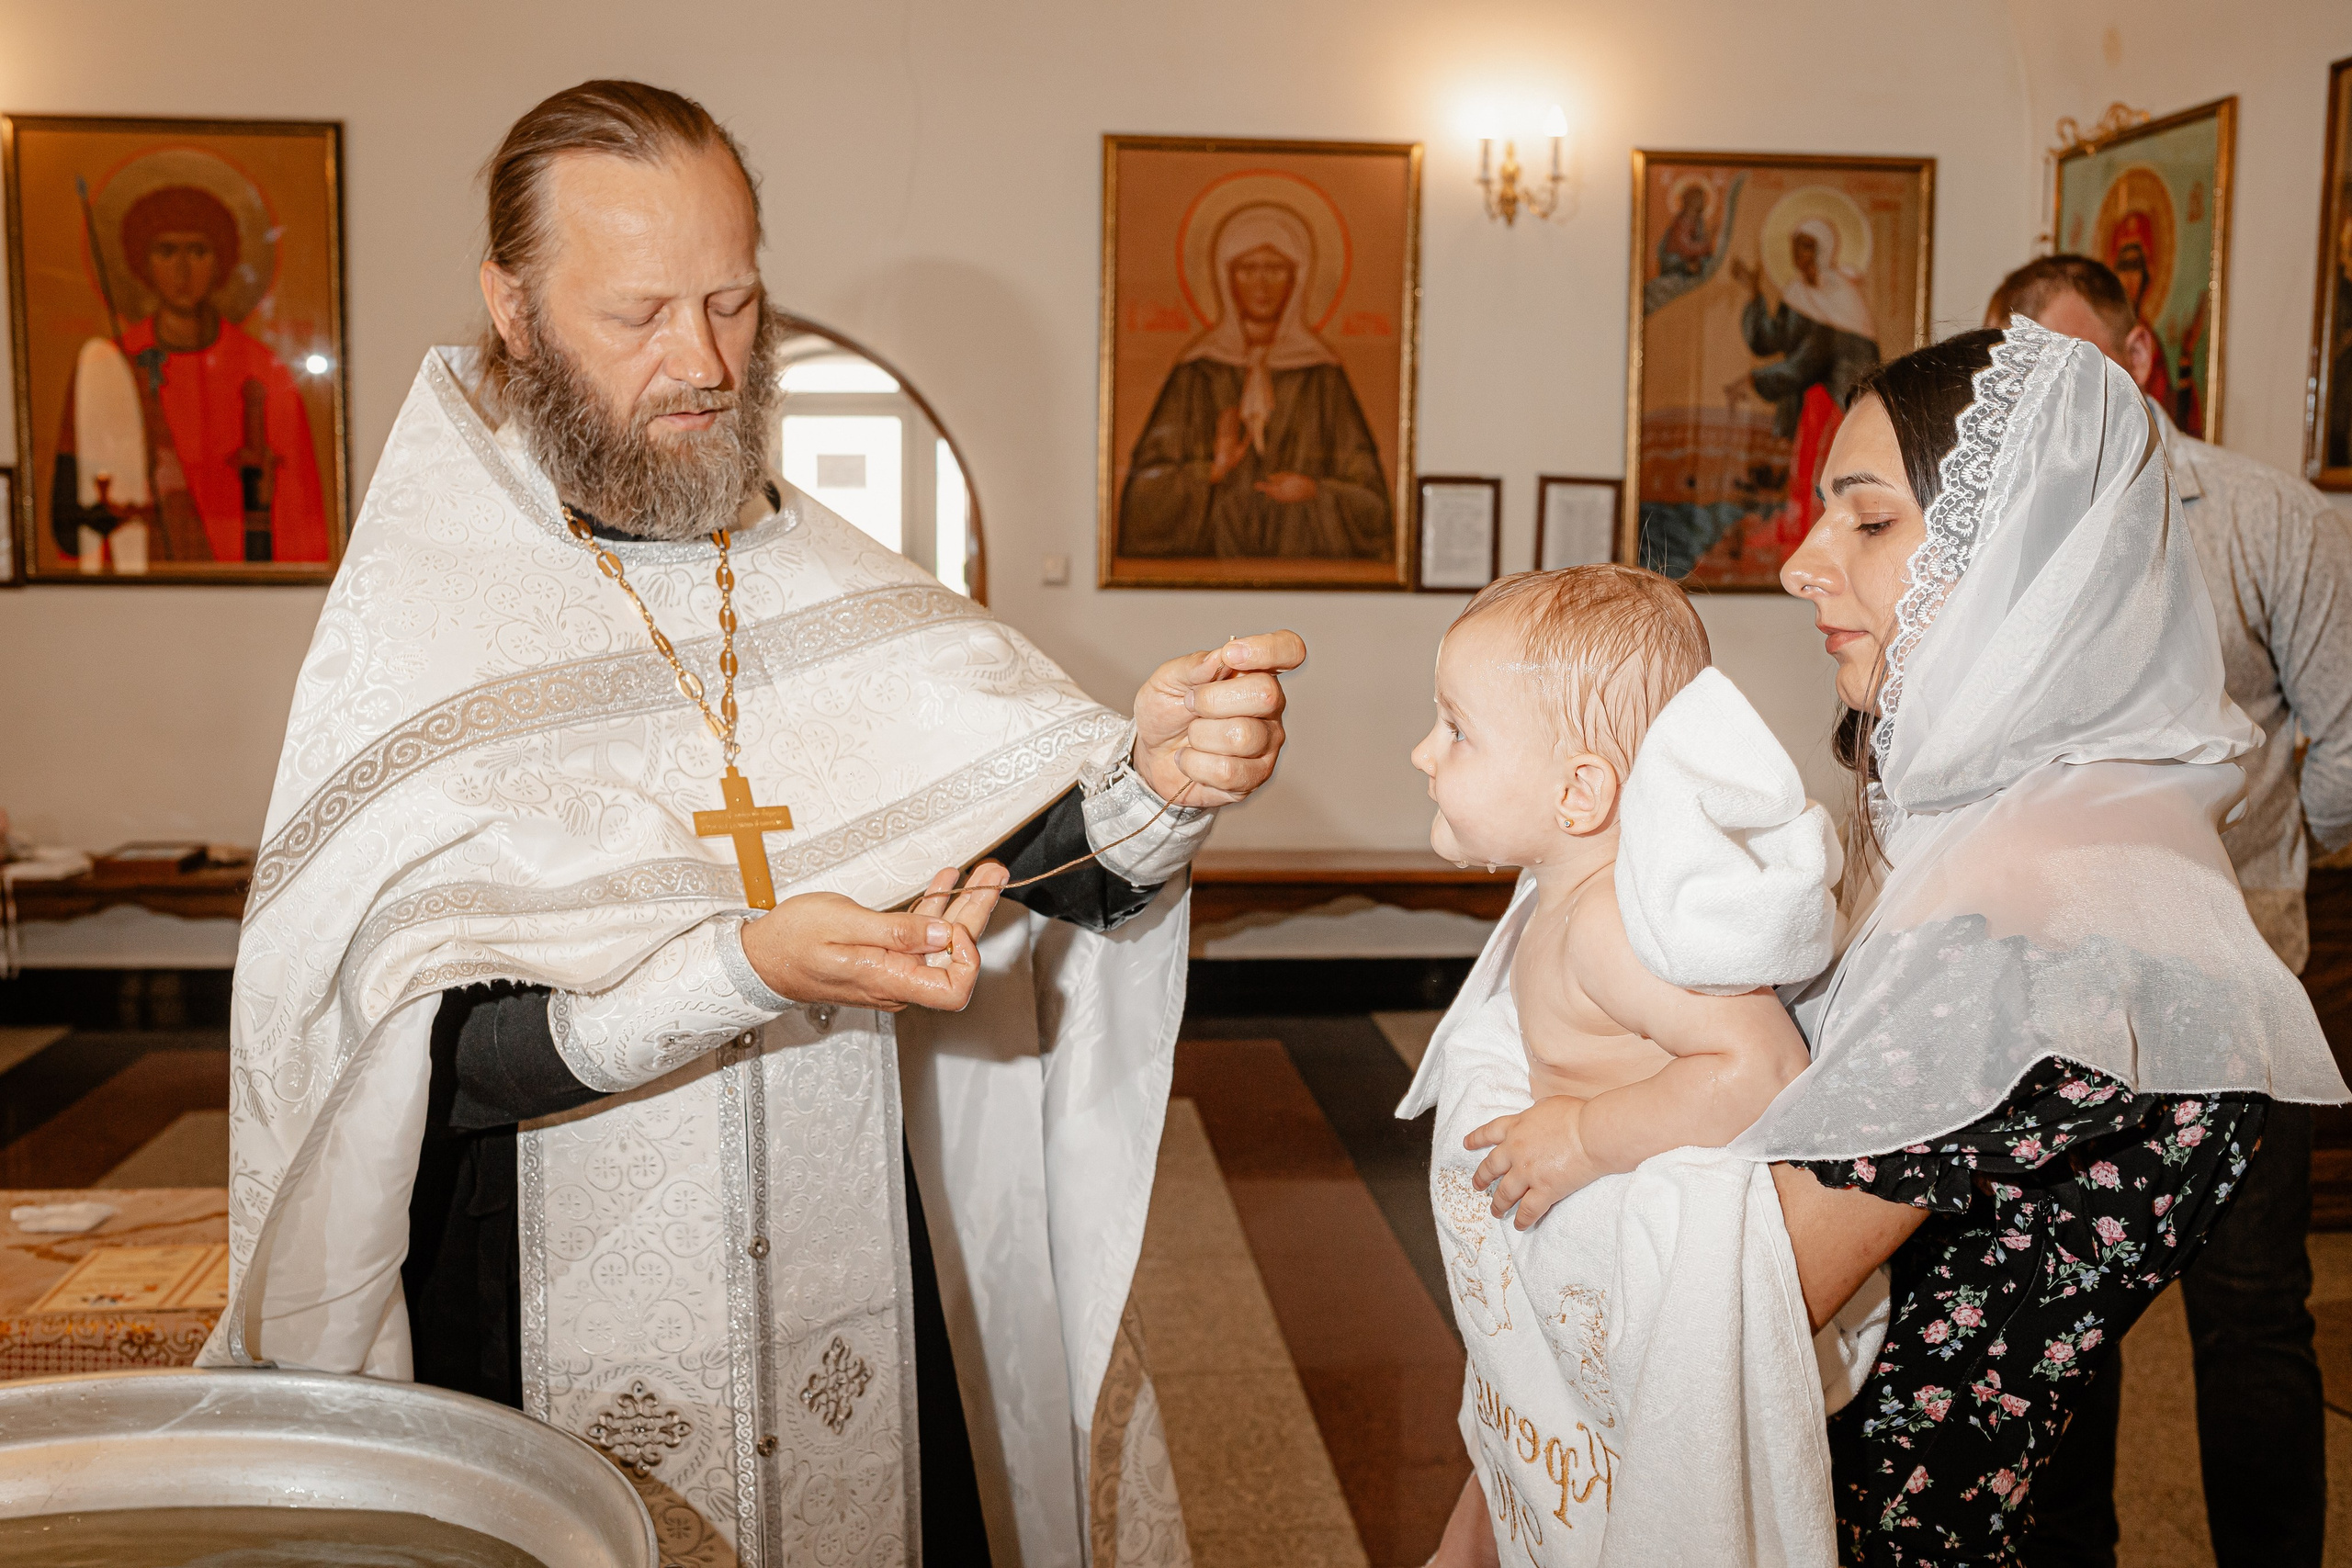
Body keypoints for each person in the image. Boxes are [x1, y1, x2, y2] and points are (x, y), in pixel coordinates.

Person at [204, 81, 1306, 1568]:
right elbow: (414, 1062)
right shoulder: (426, 620)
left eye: (734, 301)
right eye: (642, 312)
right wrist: (743, 970)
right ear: (513, 309)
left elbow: (1039, 852)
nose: (705, 362)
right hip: (532, 1296)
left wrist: (1161, 776)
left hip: (849, 1276)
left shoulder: (820, 576)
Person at [1758, 316, 2346, 1566]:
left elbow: (1759, 1295)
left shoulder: (2022, 913)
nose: (1802, 562)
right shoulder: (2105, 829)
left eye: (1867, 521)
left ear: (2029, 556)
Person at [1982, 254, 2352, 1567]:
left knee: (2252, 1315)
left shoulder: (2267, 513)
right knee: (2062, 1311)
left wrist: (2254, 881)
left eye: (2066, 362)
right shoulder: (2000, 521)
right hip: (2057, 985)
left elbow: (2345, 737)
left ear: (2140, 357)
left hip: (2234, 986)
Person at [1408, 566, 1839, 1565]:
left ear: (1580, 791)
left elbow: (1760, 1067)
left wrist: (1582, 1135)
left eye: (1456, 728)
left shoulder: (1606, 922)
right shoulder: (1559, 891)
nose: (1423, 751)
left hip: (1640, 1289)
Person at [49, 184, 328, 567]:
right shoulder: (110, 367)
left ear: (222, 261)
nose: (183, 269)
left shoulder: (265, 370)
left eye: (198, 250)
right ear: (142, 262)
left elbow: (301, 519)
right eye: (166, 251)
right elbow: (73, 524)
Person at [1117, 202, 1393, 559]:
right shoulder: (1196, 373)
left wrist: (1315, 491)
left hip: (1302, 558)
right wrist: (1209, 472)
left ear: (1297, 277)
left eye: (1275, 268)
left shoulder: (1323, 376)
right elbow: (1140, 499)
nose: (1261, 283)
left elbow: (1372, 502)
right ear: (1225, 277)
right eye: (1247, 269)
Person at [1728, 218, 1882, 544]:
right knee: (1803, 471)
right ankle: (1798, 538)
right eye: (1796, 246)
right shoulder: (1798, 292)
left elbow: (1810, 361)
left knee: (1826, 475)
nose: (1800, 254)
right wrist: (1755, 293)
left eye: (1808, 246)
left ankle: (1823, 542)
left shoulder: (1842, 296)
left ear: (1824, 250)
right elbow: (1768, 341)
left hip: (1839, 401)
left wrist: (1752, 381)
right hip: (1811, 398)